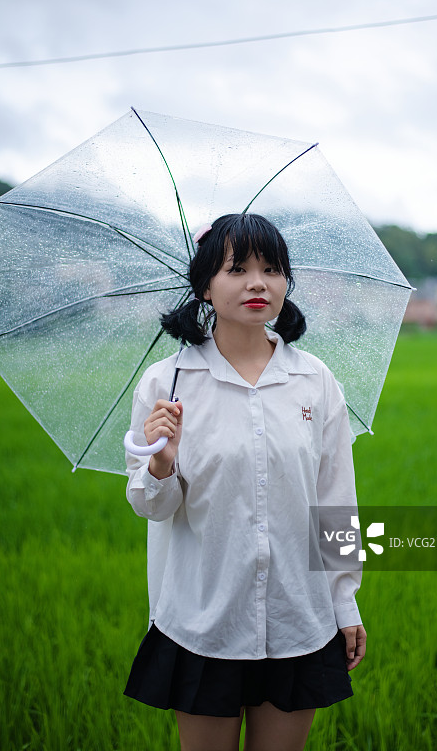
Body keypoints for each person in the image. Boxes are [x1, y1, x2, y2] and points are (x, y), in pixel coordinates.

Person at [124, 213, 366, 751]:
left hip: (298, 618)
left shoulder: (314, 380)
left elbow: (336, 502)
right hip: (204, 619)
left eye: (272, 269)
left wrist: (344, 603)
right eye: (238, 269)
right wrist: (161, 463)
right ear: (205, 284)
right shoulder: (168, 382)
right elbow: (150, 506)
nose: (258, 282)